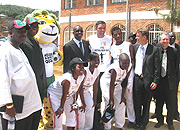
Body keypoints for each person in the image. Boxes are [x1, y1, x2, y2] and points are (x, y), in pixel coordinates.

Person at [0, 20, 42, 130]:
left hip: (31, 105)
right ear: (10, 33)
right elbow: (2, 79)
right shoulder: (5, 51)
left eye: (24, 31)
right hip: (18, 109)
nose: (23, 34)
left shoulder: (18, 48)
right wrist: (8, 104)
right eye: (19, 31)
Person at [47, 57, 87, 130]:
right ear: (73, 68)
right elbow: (64, 95)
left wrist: (74, 102)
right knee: (58, 116)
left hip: (68, 95)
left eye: (83, 67)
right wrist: (61, 108)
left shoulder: (82, 76)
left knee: (71, 114)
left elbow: (77, 90)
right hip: (55, 95)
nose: (82, 69)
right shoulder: (67, 80)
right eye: (79, 67)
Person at [133, 28, 159, 130]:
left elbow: (157, 67)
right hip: (137, 79)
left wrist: (155, 81)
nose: (136, 38)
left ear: (144, 37)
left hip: (148, 81)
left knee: (147, 103)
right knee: (137, 102)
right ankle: (138, 122)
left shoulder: (153, 50)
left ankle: (144, 123)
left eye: (138, 36)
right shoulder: (135, 48)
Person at [110, 26, 135, 128]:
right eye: (115, 34)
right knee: (116, 97)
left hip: (128, 75)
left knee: (128, 97)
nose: (118, 36)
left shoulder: (128, 45)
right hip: (116, 77)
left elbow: (132, 60)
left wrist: (128, 73)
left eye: (119, 34)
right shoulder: (112, 47)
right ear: (113, 36)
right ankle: (117, 118)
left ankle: (131, 119)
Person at [153, 33, 178, 130]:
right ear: (160, 40)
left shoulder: (174, 51)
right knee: (158, 102)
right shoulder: (156, 51)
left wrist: (175, 82)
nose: (165, 41)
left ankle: (170, 121)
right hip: (159, 82)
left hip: (170, 82)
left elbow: (176, 68)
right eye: (163, 39)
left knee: (170, 103)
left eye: (167, 39)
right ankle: (160, 120)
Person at [20, 17, 47, 102]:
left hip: (39, 82)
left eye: (37, 26)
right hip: (30, 84)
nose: (36, 29)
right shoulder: (23, 42)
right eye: (33, 26)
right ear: (27, 27)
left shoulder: (35, 41)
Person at [100, 53, 130, 130]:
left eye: (128, 62)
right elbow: (111, 84)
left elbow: (125, 82)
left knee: (121, 103)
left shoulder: (127, 67)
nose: (126, 65)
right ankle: (107, 127)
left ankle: (119, 125)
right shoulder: (114, 69)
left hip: (117, 84)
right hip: (107, 85)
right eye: (124, 63)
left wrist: (122, 96)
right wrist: (111, 99)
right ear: (119, 61)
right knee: (109, 105)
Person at [88, 20, 112, 107]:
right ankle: (97, 112)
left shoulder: (109, 39)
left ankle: (107, 114)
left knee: (107, 94)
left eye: (104, 28)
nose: (102, 30)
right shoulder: (91, 39)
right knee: (96, 93)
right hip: (96, 70)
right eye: (100, 28)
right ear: (95, 28)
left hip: (106, 70)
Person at [78, 52, 100, 130]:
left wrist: (94, 99)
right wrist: (82, 102)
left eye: (98, 60)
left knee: (91, 106)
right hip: (77, 92)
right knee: (81, 109)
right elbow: (79, 87)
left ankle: (88, 127)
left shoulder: (97, 71)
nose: (97, 62)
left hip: (86, 91)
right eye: (95, 60)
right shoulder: (84, 71)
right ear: (89, 61)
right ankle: (79, 128)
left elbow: (95, 86)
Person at [168, 32, 180, 122]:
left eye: (173, 37)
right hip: (163, 76)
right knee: (160, 96)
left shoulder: (178, 48)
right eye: (170, 37)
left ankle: (175, 113)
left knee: (173, 96)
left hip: (174, 76)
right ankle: (157, 113)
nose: (172, 38)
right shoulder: (162, 47)